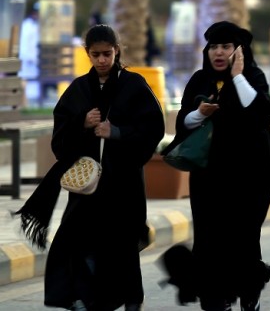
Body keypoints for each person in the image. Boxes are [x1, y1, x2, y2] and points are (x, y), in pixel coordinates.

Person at [12, 24, 166, 310]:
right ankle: (86, 297)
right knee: (78, 241)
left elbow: (152, 128)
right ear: (88, 55)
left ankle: (132, 299)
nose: (102, 60)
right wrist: (82, 124)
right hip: (86, 185)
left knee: (122, 244)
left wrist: (116, 132)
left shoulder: (134, 85)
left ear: (117, 51)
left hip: (123, 183)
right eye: (95, 55)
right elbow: (60, 140)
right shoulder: (79, 89)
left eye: (107, 54)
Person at [160, 21, 270, 311]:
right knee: (210, 240)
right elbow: (182, 124)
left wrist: (237, 77)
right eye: (213, 47)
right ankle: (215, 299)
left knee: (244, 240)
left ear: (239, 51)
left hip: (249, 177)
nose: (219, 53)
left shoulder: (252, 76)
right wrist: (199, 113)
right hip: (209, 177)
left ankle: (249, 294)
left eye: (226, 47)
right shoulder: (200, 80)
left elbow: (262, 109)